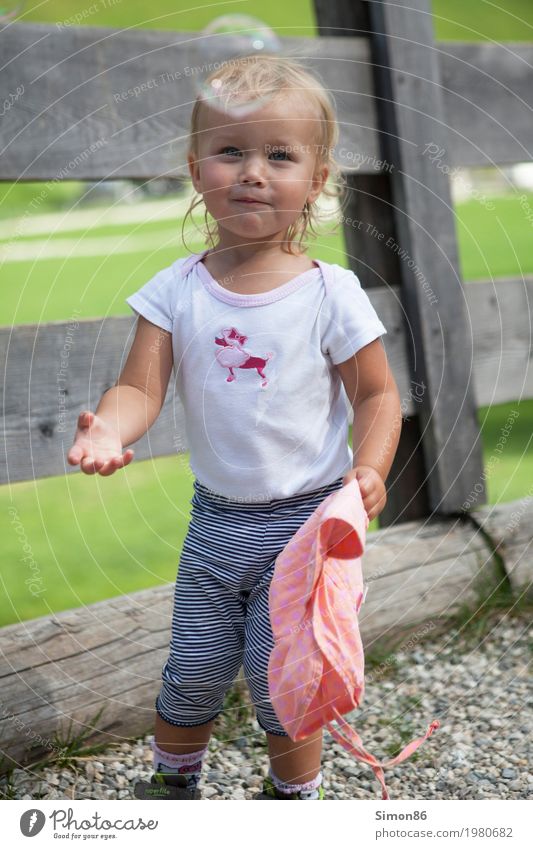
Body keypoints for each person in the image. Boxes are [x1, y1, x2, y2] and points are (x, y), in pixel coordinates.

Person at [66, 54, 402, 800]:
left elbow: (378, 395)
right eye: (231, 152)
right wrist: (108, 431)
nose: (253, 171)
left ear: (315, 179)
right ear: (196, 170)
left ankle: (292, 800)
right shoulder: (175, 291)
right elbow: (136, 388)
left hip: (304, 528)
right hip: (214, 529)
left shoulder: (330, 293)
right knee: (190, 674)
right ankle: (173, 787)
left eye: (279, 155)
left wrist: (371, 466)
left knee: (287, 686)